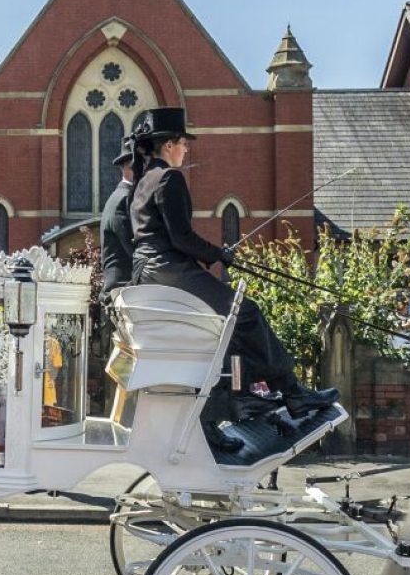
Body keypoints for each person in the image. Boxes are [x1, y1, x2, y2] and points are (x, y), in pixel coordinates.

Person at [128, 107, 338, 437]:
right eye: (183, 143)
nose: (187, 149)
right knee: (245, 314)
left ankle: (245, 395)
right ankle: (291, 392)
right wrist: (219, 254)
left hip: (150, 270)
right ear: (169, 145)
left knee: (226, 328)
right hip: (167, 267)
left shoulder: (143, 182)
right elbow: (181, 237)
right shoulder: (169, 178)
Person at [99, 136, 136, 301]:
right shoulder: (123, 199)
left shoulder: (123, 196)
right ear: (129, 168)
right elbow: (133, 248)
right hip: (120, 292)